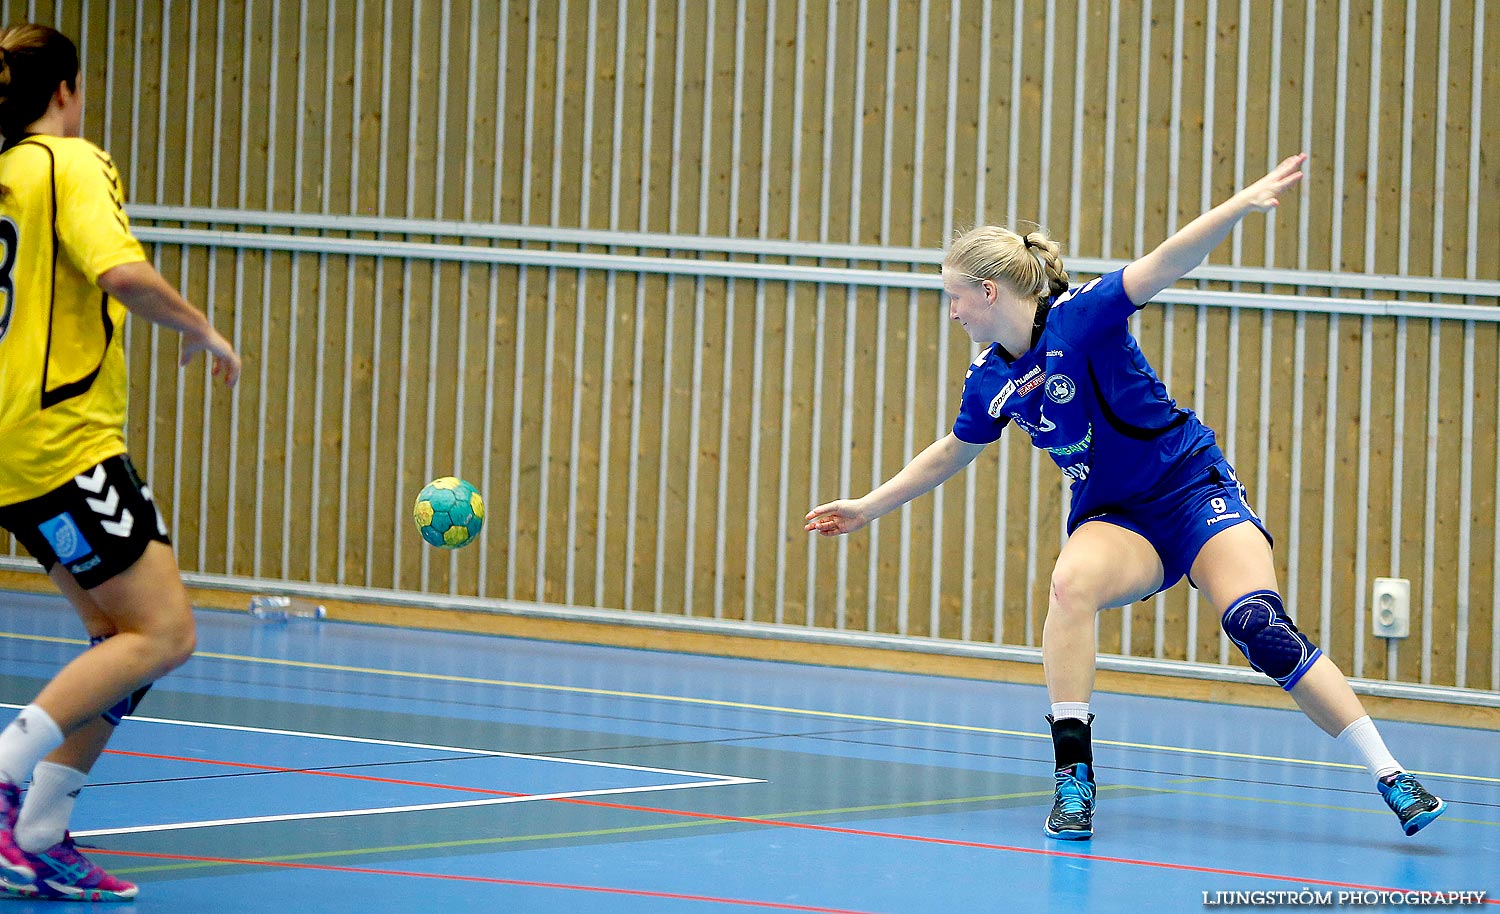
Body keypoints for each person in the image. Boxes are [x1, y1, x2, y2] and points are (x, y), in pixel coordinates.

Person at [805, 153, 1446, 841]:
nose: (951, 310)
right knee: (1069, 586)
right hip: (1117, 520)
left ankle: (1391, 775)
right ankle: (1073, 777)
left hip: (1194, 492)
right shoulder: (988, 378)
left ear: (990, 291)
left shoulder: (1084, 319)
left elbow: (1167, 260)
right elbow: (951, 452)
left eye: (954, 295)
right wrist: (869, 506)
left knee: (1258, 626)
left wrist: (1240, 204)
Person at [0, 23, 241, 901]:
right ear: (65, 89)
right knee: (165, 633)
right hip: (68, 440)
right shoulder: (68, 164)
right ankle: (8, 778)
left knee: (120, 640)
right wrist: (202, 328)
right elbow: (119, 271)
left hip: (14, 449)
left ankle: (40, 832)